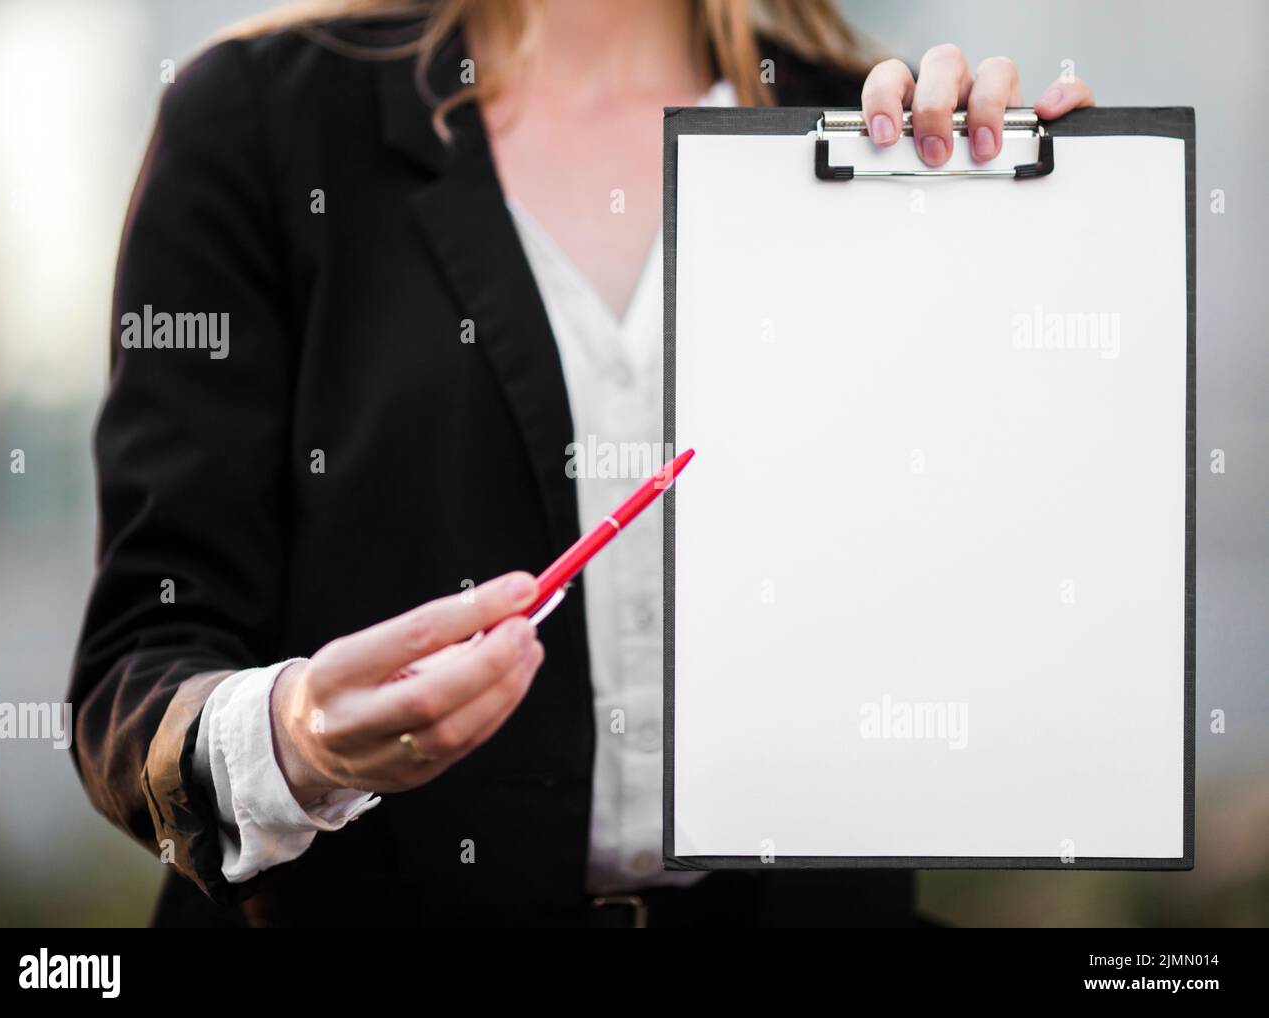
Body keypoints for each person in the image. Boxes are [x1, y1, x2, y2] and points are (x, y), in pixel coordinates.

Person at [70, 0, 1095, 927]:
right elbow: (142, 666)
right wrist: (296, 742)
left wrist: (1052, 255)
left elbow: (990, 579)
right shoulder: (261, 121)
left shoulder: (878, 130)